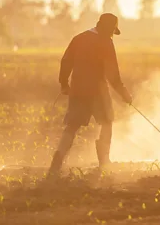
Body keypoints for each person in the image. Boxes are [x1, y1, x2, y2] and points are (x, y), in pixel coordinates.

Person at [48, 13, 132, 176]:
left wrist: (64, 84)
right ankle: (104, 162)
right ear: (108, 28)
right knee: (107, 122)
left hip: (78, 89)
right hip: (97, 91)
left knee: (72, 127)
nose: (111, 35)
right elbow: (112, 74)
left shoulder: (79, 38)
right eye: (111, 31)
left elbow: (66, 61)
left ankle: (55, 165)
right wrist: (124, 93)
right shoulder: (106, 42)